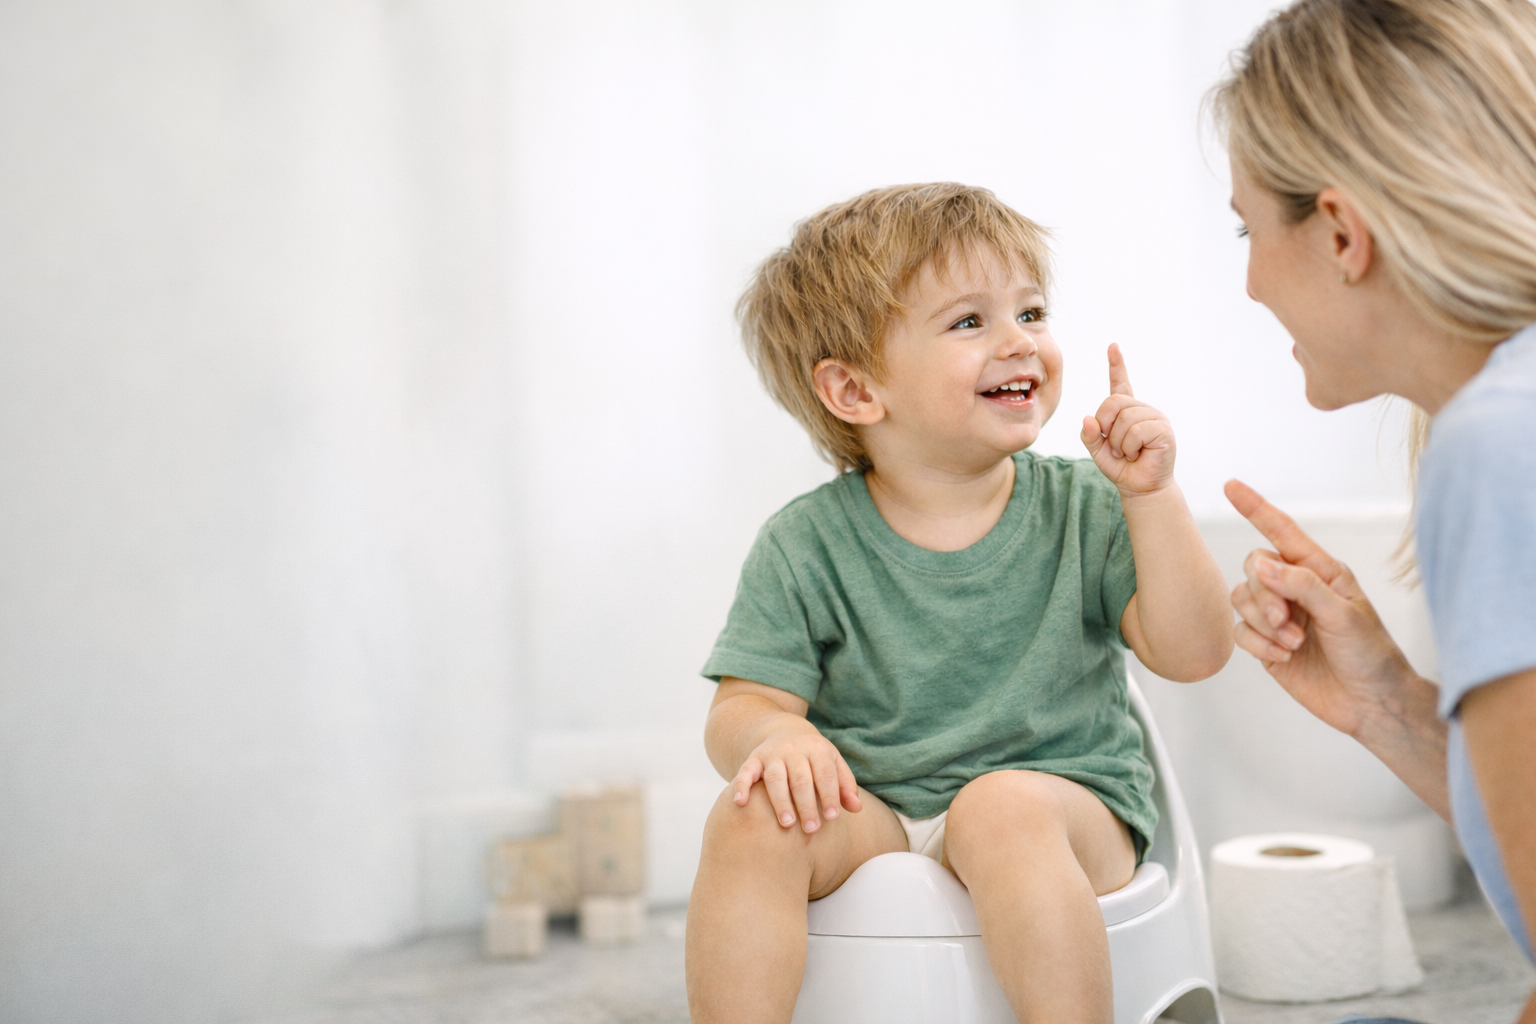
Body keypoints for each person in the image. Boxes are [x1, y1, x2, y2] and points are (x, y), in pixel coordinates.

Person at [684, 183, 1233, 1024]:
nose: (1020, 342)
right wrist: (775, 733)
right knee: (751, 816)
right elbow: (743, 705)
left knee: (1000, 808)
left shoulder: (1089, 506)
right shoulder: (805, 545)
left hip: (1064, 805)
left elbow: (1194, 652)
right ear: (856, 392)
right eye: (970, 322)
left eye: (1032, 312)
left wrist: (1153, 499)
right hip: (876, 812)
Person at [1212, 1, 1536, 1021]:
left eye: (1246, 227)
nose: (1251, 280)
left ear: (1343, 232)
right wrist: (1385, 700)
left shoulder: (1498, 440)